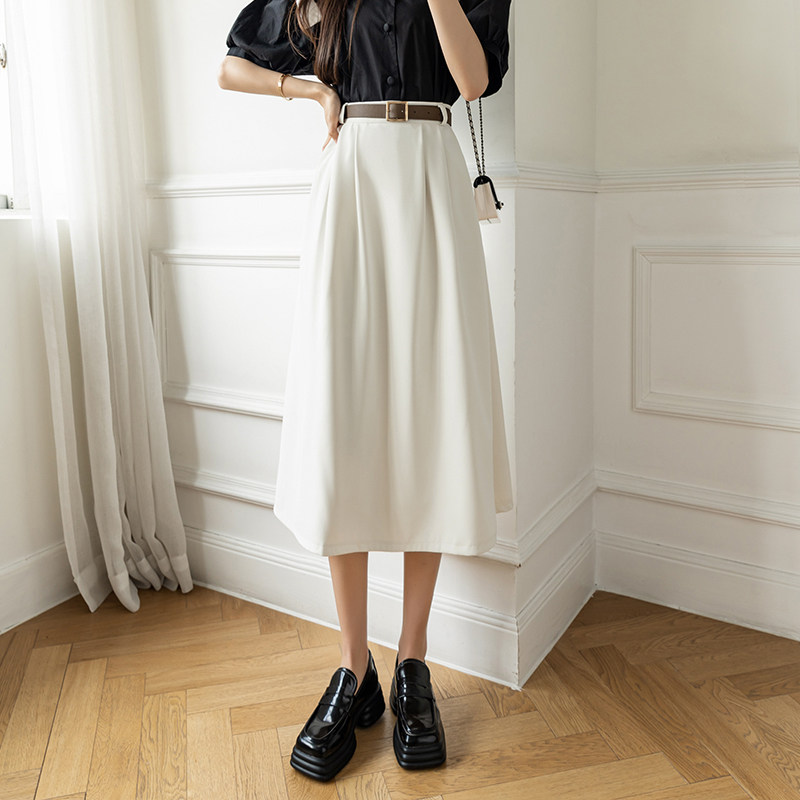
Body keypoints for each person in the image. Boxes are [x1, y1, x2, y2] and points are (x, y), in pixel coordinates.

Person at [218, 0, 513, 782]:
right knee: (339, 412)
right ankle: (355, 667)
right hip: (351, 183)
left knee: (434, 412)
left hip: (431, 179)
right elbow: (231, 65)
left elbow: (473, 81)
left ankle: (412, 658)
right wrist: (310, 90)